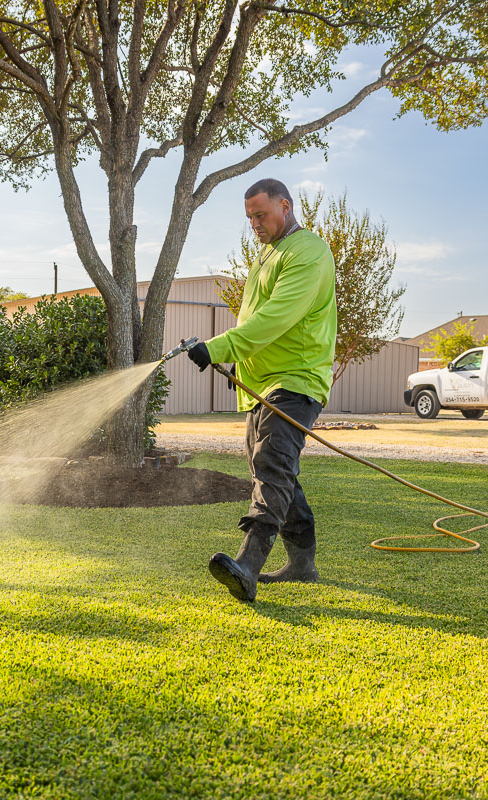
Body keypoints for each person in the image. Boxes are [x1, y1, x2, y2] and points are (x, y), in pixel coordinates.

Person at [186, 178, 337, 602]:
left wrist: (219, 347)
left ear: (285, 206)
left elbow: (275, 317)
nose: (255, 223)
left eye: (261, 214)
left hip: (296, 379)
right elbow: (254, 318)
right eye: (249, 217)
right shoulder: (268, 255)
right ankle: (302, 564)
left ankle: (248, 566)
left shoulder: (307, 252)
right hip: (263, 385)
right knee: (272, 467)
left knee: (272, 463)